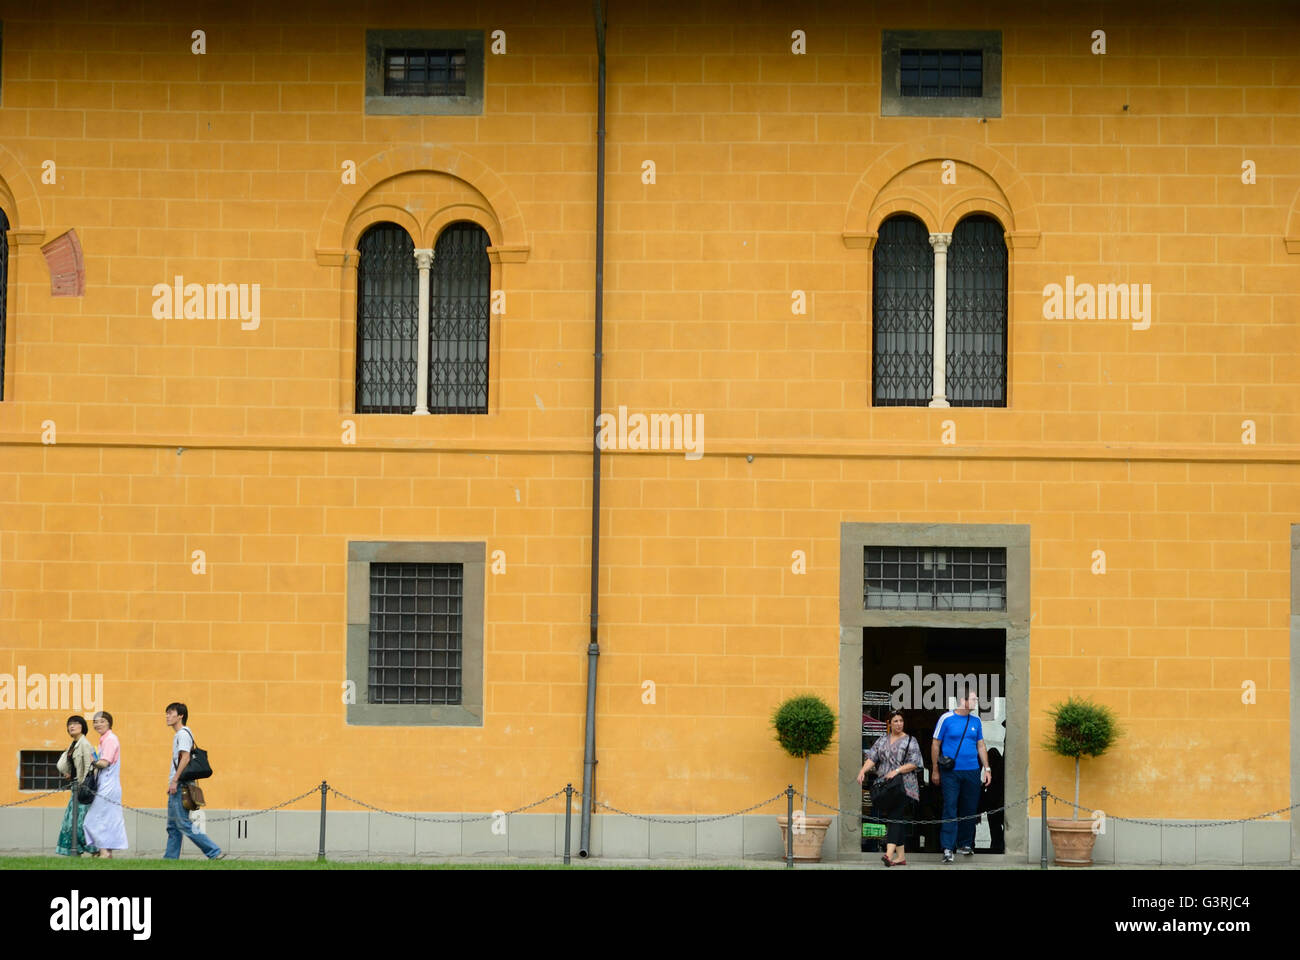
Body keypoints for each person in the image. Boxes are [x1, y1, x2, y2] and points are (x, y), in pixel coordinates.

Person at [931, 687, 991, 863]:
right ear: (963, 701)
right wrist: (935, 769)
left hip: (972, 770)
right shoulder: (946, 718)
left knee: (970, 807)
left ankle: (966, 844)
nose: (976, 702)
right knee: (950, 807)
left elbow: (981, 745)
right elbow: (936, 744)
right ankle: (948, 848)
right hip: (951, 772)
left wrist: (987, 769)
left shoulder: (976, 721)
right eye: (973, 699)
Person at [857, 710, 923, 866]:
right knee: (896, 817)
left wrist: (897, 770)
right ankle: (900, 857)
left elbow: (915, 762)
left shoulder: (910, 741)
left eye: (901, 721)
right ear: (889, 723)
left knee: (895, 815)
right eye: (896, 721)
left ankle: (888, 854)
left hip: (904, 785)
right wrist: (862, 771)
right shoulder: (882, 740)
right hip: (886, 786)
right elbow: (872, 757)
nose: (899, 724)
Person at [163, 702, 223, 860]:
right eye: (166, 713)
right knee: (173, 826)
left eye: (171, 713)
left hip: (180, 784)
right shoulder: (182, 734)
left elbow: (186, 757)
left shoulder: (182, 734)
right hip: (178, 783)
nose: (167, 716)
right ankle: (170, 859)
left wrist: (175, 780)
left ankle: (213, 851)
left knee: (182, 823)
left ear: (180, 715)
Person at [83, 711, 129, 858]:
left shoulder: (110, 739)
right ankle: (104, 852)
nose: (98, 724)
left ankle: (104, 852)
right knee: (105, 819)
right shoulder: (105, 739)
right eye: (95, 722)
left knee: (92, 820)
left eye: (102, 721)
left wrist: (92, 760)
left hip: (108, 786)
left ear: (109, 723)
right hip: (108, 785)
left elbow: (104, 762)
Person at [54, 715, 98, 857]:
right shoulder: (73, 744)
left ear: (82, 727)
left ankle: (95, 850)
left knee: (79, 823)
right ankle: (76, 852)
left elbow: (88, 767)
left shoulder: (85, 744)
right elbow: (66, 764)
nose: (71, 726)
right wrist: (67, 772)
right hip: (75, 788)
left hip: (82, 789)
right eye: (69, 724)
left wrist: (82, 784)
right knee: (70, 823)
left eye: (75, 723)